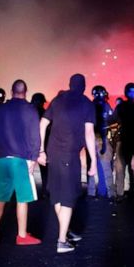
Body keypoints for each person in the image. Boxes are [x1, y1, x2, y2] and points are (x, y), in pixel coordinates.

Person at [39, 74, 96, 254]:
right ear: (84, 86)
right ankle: (62, 241)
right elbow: (89, 134)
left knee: (57, 194)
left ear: (69, 85)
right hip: (69, 156)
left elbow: (42, 123)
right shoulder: (87, 103)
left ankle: (66, 230)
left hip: (52, 155)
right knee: (68, 197)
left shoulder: (58, 100)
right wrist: (93, 161)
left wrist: (40, 150)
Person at [0, 79, 42, 247]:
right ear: (26, 91)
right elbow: (35, 135)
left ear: (11, 91)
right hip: (20, 160)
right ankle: (22, 235)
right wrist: (33, 158)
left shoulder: (0, 109)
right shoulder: (30, 109)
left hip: (2, 159)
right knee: (22, 199)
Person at [87, 85, 115, 198]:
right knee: (107, 168)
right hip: (102, 139)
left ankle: (91, 193)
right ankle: (111, 193)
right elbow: (112, 120)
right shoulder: (106, 105)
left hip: (90, 139)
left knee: (91, 167)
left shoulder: (89, 105)